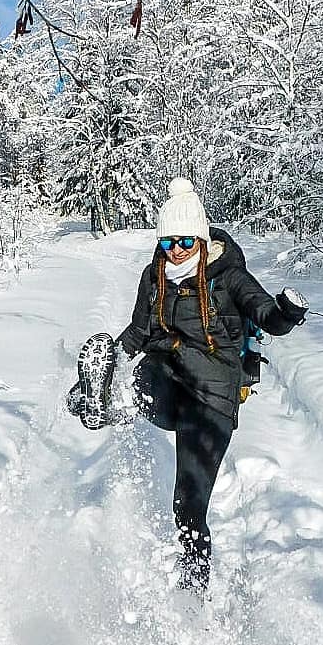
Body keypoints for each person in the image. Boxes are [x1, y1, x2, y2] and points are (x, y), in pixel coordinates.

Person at [68, 178, 308, 593]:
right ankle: (104, 400)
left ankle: (192, 591)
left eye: (183, 241)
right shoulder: (154, 276)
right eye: (167, 243)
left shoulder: (230, 277)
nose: (175, 250)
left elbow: (266, 314)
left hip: (213, 400)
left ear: (199, 237)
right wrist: (108, 362)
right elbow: (140, 332)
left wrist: (287, 313)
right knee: (144, 378)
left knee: (188, 505)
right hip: (169, 378)